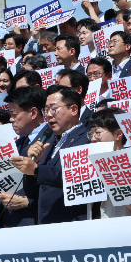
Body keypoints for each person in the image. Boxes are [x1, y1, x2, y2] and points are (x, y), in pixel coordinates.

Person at [12, 85, 91, 224]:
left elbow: (74, 177)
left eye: (53, 109)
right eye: (46, 109)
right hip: (45, 223)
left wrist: (36, 170)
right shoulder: (47, 142)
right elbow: (32, 193)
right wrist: (31, 168)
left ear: (73, 109)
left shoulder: (87, 138)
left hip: (74, 223)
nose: (48, 114)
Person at [0, 87, 47, 227]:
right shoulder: (16, 144)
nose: (11, 119)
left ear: (33, 112)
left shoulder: (51, 139)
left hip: (36, 223)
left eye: (14, 114)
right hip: (12, 222)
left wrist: (28, 202)